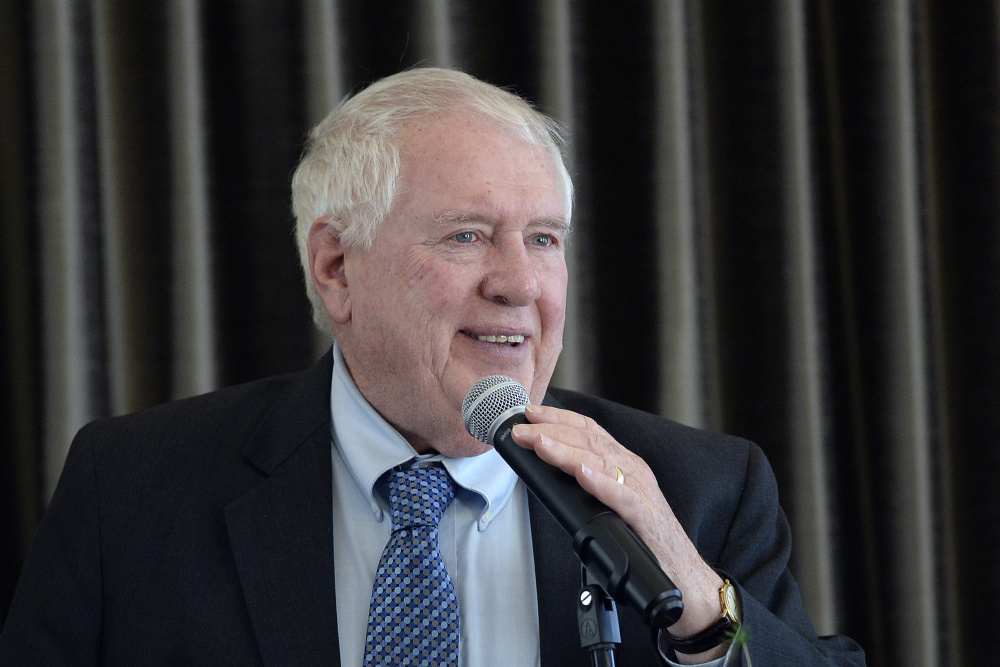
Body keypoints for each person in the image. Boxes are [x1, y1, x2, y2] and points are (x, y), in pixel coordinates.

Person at [0, 67, 864, 666]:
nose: (520, 283)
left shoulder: (703, 488)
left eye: (543, 239)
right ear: (336, 268)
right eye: (466, 235)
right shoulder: (134, 491)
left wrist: (701, 605)